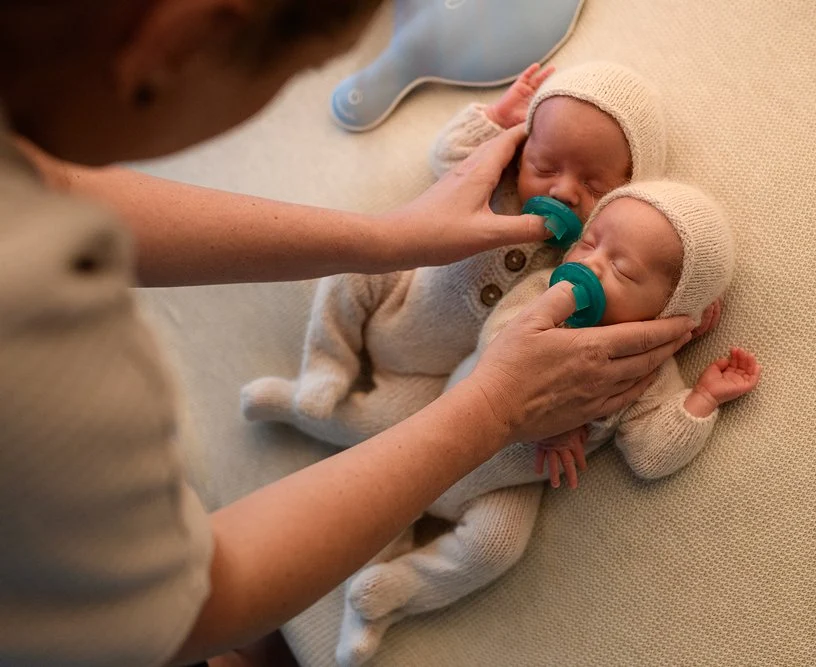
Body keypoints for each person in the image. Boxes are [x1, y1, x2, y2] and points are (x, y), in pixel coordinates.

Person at [0, 1, 697, 665]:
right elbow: (184, 609)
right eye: (303, 74)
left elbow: (52, 184)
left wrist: (386, 238)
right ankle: (311, 386)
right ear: (176, 41)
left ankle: (380, 582)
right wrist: (495, 408)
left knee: (485, 535)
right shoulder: (51, 360)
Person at [334, 180, 762, 665]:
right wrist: (550, 423)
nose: (589, 265)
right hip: (435, 428)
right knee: (381, 500)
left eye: (621, 268)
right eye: (589, 241)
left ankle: (395, 591)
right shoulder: (542, 296)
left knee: (495, 548)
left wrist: (700, 399)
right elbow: (496, 341)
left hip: (505, 484)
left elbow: (649, 454)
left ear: (674, 310)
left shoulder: (646, 373)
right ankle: (358, 585)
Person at [239, 61, 669, 444]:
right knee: (350, 270)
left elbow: (623, 299)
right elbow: (447, 156)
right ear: (522, 153)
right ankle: (326, 366)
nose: (562, 190)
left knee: (393, 429)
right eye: (545, 167)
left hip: (432, 375)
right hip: (402, 292)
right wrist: (496, 121)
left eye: (594, 187)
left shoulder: (585, 261)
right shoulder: (494, 186)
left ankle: (297, 410)